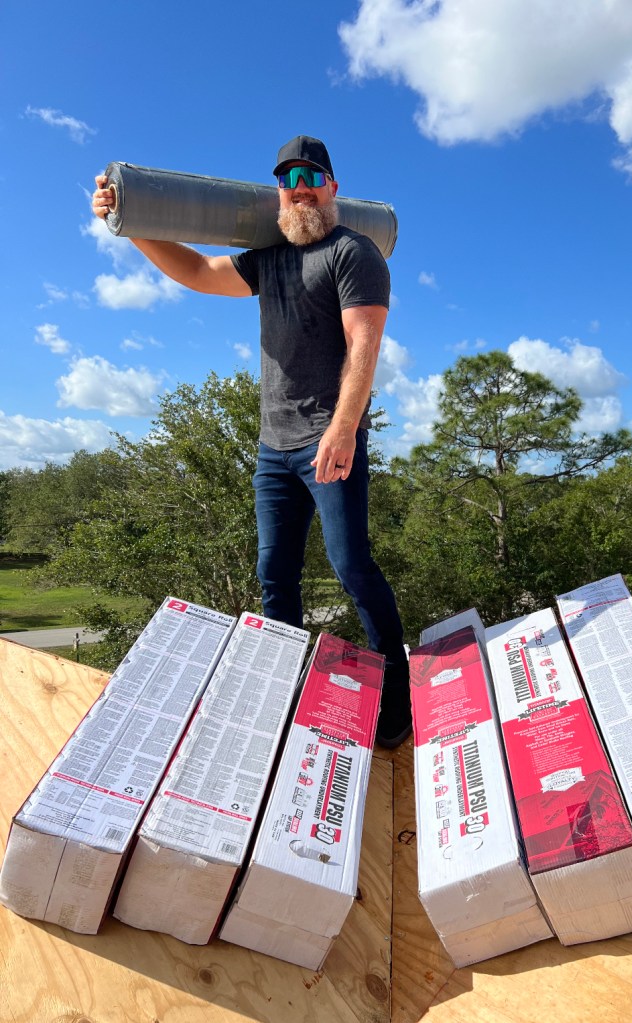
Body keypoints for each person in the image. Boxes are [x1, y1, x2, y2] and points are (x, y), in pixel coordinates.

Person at [92, 135, 412, 748]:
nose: (299, 188)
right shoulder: (268, 258)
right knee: (274, 575)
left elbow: (365, 344)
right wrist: (127, 222)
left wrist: (343, 428)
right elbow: (195, 272)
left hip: (328, 442)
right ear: (279, 191)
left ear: (332, 187)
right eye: (288, 179)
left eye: (311, 177)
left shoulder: (354, 252)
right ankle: (284, 689)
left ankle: (397, 694)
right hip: (273, 449)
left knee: (351, 567)